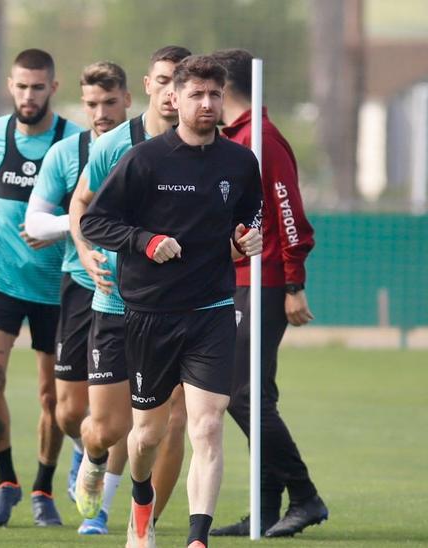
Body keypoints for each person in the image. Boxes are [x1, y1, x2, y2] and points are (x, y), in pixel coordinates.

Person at [81, 55, 264, 548]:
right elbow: (94, 222)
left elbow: (251, 217)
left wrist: (250, 238)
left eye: (214, 94)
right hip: (149, 316)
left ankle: (196, 539)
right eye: (197, 95)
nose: (207, 104)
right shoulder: (144, 160)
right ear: (174, 99)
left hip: (212, 312)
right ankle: (140, 500)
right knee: (145, 437)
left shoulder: (241, 162)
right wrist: (146, 241)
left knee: (206, 426)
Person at [69, 46, 195, 528]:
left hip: (183, 309)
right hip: (117, 303)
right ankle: (94, 459)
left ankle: (144, 529)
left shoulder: (208, 150)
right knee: (110, 427)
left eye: (179, 82)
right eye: (163, 80)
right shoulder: (112, 146)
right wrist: (84, 252)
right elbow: (82, 204)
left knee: (173, 422)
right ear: (147, 85)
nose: (171, 91)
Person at [208, 47, 327, 539]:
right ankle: (264, 510)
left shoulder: (262, 138)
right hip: (239, 281)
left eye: (212, 90)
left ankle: (304, 496)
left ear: (227, 88)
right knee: (255, 393)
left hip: (266, 281)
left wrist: (294, 282)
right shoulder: (233, 137)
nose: (205, 100)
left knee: (239, 397)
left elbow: (288, 212)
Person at [0, 48, 81, 528]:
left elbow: (86, 206)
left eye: (37, 87)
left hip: (56, 285)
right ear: (10, 86)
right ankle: (6, 481)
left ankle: (42, 488)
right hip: (1, 279)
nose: (28, 95)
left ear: (53, 88)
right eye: (20, 86)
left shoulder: (73, 141)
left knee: (51, 399)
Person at [23, 60, 131, 535]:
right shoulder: (66, 154)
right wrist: (83, 224)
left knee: (126, 410)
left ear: (129, 99)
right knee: (68, 410)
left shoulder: (142, 150)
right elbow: (35, 223)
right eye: (92, 104)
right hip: (78, 285)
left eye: (110, 102)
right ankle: (85, 449)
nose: (101, 112)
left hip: (133, 295)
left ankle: (100, 508)